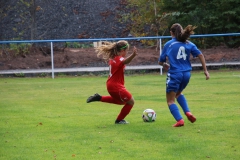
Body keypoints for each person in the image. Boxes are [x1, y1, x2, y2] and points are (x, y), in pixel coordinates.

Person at [158, 23, 210, 127]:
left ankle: (180, 120)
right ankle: (188, 112)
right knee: (178, 93)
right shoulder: (189, 43)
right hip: (186, 74)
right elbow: (200, 54)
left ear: (171, 33)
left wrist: (165, 64)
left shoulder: (169, 44)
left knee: (170, 100)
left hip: (175, 74)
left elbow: (160, 62)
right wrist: (205, 70)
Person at [87, 40, 138, 124]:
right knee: (131, 101)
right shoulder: (119, 58)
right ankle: (119, 120)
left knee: (122, 101)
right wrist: (133, 55)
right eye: (127, 51)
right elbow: (125, 61)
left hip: (110, 85)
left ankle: (99, 98)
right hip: (116, 86)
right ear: (122, 51)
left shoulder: (113, 58)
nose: (127, 53)